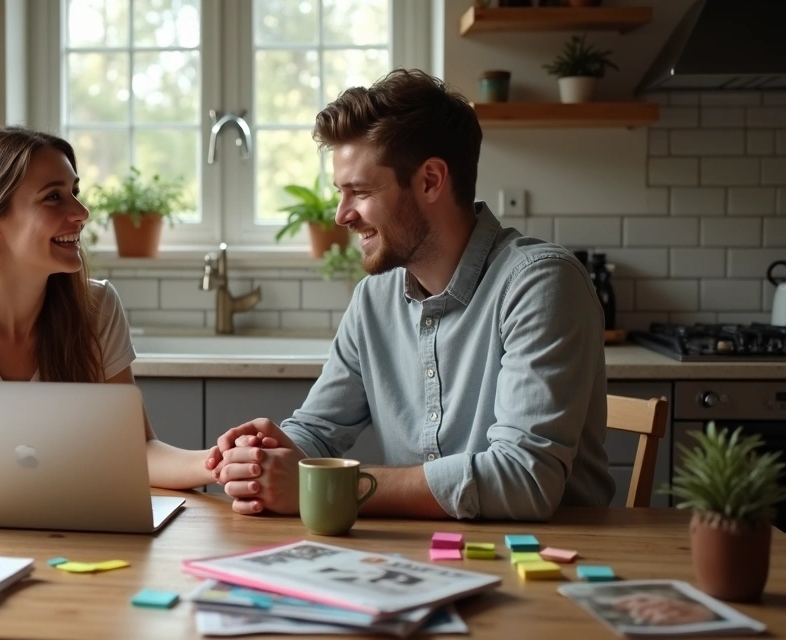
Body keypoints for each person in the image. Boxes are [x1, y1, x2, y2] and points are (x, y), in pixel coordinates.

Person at [207, 69, 615, 520]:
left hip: (549, 562)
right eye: (341, 193)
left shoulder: (539, 284)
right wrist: (265, 453)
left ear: (430, 181)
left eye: (359, 191)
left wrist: (330, 487)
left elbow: (523, 479)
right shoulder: (373, 300)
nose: (342, 215)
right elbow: (320, 430)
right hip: (415, 557)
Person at [0, 125, 215, 490]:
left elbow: (136, 451)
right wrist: (52, 459)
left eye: (74, 193)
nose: (81, 212)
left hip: (67, 534)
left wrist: (217, 463)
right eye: (53, 198)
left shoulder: (98, 307)